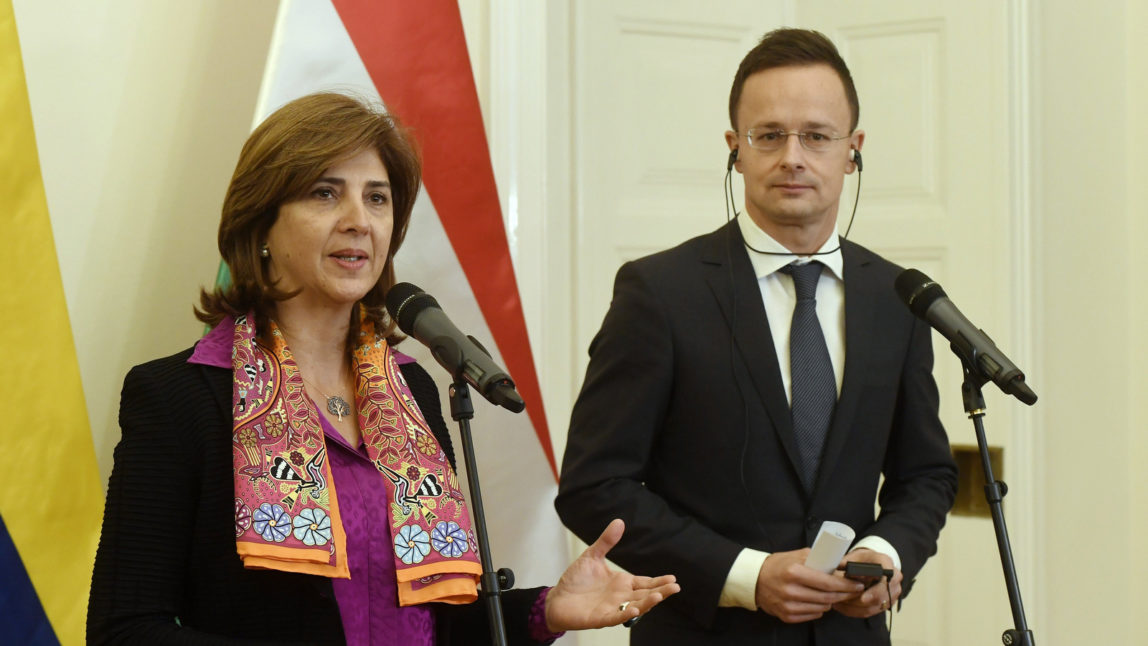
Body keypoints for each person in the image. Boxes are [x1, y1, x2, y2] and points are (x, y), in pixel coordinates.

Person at [87, 91, 678, 645]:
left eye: (377, 197)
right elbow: (124, 629)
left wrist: (544, 608)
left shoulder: (410, 389)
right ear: (260, 222)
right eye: (324, 192)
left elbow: (434, 622)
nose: (358, 220)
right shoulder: (179, 397)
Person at [555, 28, 957, 645]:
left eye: (817, 136)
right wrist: (747, 574)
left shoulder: (898, 297)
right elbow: (592, 488)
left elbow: (926, 474)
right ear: (734, 150)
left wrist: (885, 553)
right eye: (769, 135)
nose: (793, 156)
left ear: (853, 150)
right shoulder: (659, 292)